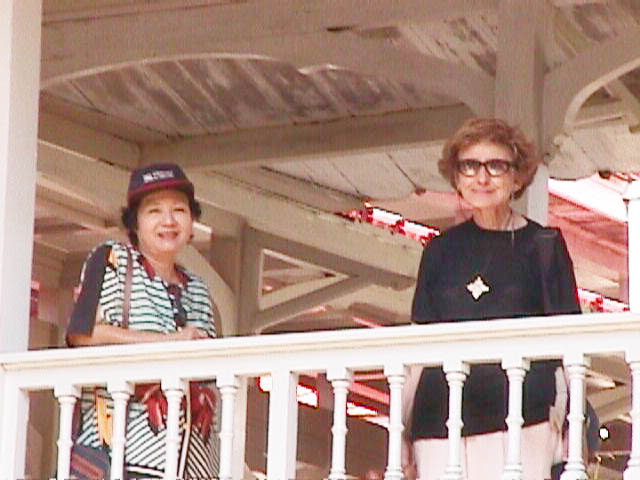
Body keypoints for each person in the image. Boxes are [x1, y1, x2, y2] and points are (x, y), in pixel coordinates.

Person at [403, 118, 581, 480]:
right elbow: (418, 350)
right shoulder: (439, 251)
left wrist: (572, 423)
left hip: (521, 417)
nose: (482, 178)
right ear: (456, 177)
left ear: (517, 177)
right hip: (439, 419)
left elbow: (570, 349)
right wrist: (401, 430)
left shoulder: (543, 246)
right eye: (469, 166)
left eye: (496, 166)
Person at [66, 163, 220, 479]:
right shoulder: (112, 260)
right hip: (120, 461)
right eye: (154, 211)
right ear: (134, 222)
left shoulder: (199, 289)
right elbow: (83, 334)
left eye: (179, 210)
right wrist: (171, 342)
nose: (168, 220)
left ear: (192, 221)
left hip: (190, 468)